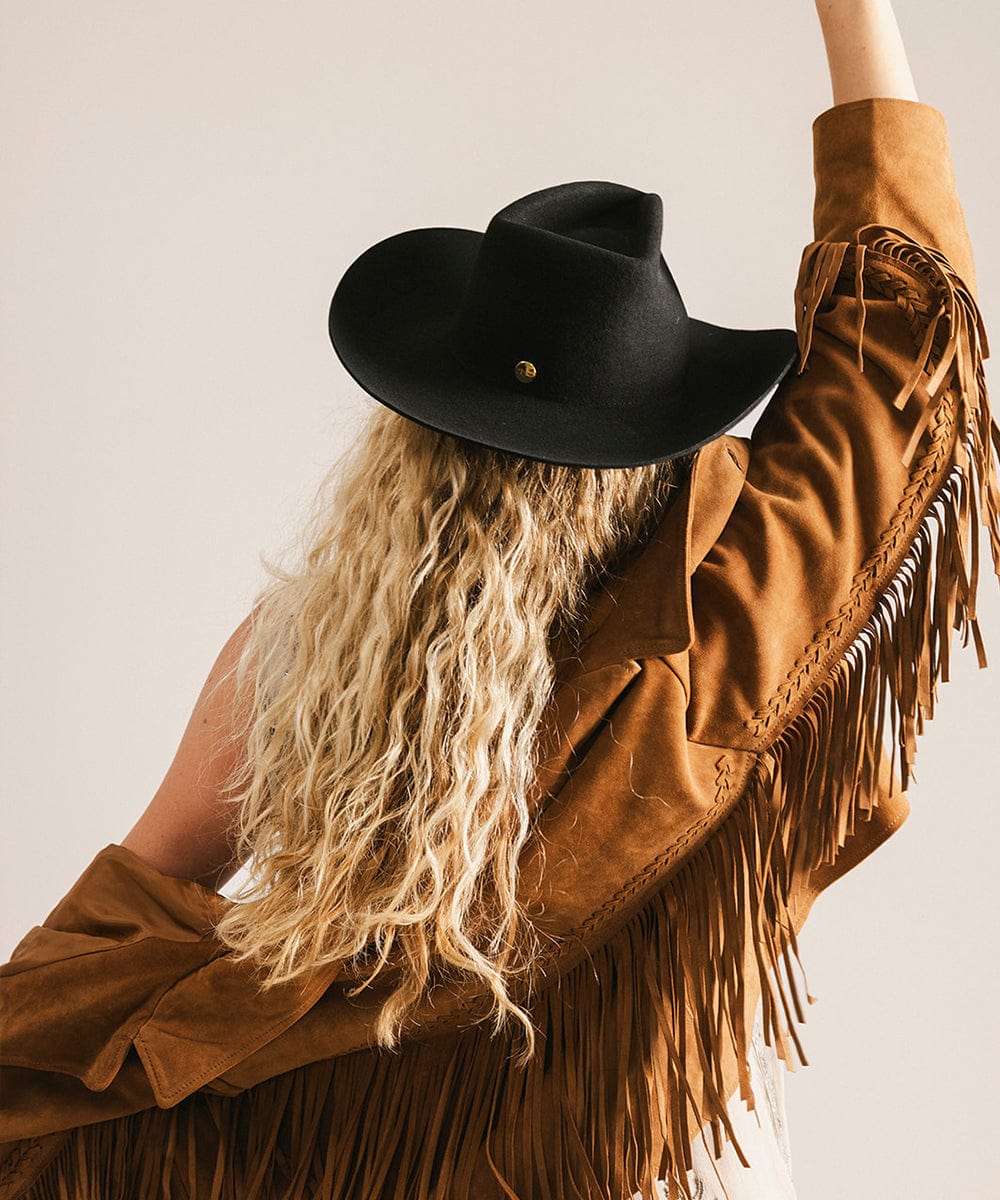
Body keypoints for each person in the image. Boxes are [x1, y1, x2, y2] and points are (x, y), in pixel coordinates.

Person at [1, 2, 996, 1198]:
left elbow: (123, 923)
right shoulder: (720, 640)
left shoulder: (301, 659)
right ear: (654, 448)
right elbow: (901, 352)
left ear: (412, 438)